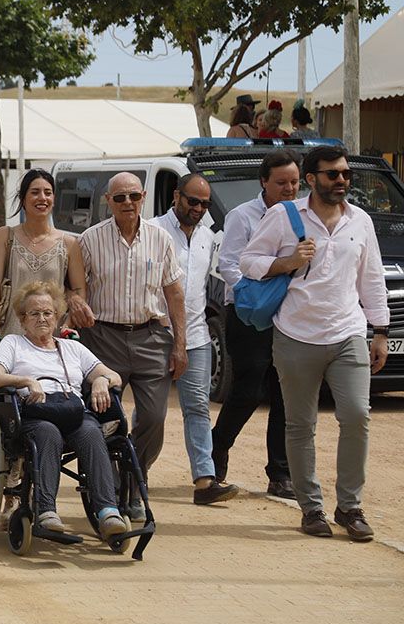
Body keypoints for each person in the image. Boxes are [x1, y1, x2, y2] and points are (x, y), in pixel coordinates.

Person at [240, 145, 387, 541]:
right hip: (295, 335)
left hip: (347, 332)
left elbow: (371, 278)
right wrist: (286, 262)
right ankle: (311, 508)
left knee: (357, 415)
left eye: (345, 174)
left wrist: (380, 330)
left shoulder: (361, 221)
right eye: (332, 174)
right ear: (311, 179)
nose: (341, 181)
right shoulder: (283, 216)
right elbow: (247, 262)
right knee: (300, 424)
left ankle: (350, 506)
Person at [76, 172, 187, 521]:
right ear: (108, 201)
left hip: (151, 336)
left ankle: (134, 476)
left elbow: (173, 293)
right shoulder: (89, 240)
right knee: (106, 417)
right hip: (103, 337)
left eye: (134, 197)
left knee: (154, 417)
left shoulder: (161, 238)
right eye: (120, 197)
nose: (127, 203)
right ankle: (111, 488)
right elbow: (74, 286)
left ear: (144, 198)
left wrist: (180, 344)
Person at [0, 282, 129, 537]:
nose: (42, 319)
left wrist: (100, 380)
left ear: (57, 316)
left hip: (72, 411)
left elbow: (113, 376)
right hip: (34, 413)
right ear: (22, 318)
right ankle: (46, 510)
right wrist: (26, 381)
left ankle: (108, 511)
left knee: (91, 432)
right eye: (34, 313)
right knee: (48, 433)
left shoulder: (72, 347)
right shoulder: (13, 343)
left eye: (48, 313)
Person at [212, 150, 297, 499]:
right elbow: (229, 265)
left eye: (294, 182)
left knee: (285, 396)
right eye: (281, 183)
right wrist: (262, 285)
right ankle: (215, 454)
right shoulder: (242, 216)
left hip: (290, 316)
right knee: (248, 392)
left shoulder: (305, 216)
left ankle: (280, 474)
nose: (289, 189)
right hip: (249, 314)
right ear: (263, 182)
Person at [152, 175, 237, 505]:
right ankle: (133, 473)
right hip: (156, 335)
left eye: (204, 203)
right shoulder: (154, 231)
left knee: (198, 408)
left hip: (197, 337)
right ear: (177, 197)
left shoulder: (209, 237)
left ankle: (205, 480)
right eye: (193, 201)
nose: (199, 209)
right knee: (150, 412)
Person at [0, 168, 92, 347]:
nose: (42, 198)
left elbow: (79, 291)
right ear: (23, 199)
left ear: (54, 199)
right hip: (12, 336)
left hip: (52, 338)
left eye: (48, 193)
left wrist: (67, 325)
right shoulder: (5, 236)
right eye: (35, 192)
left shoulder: (70, 244)